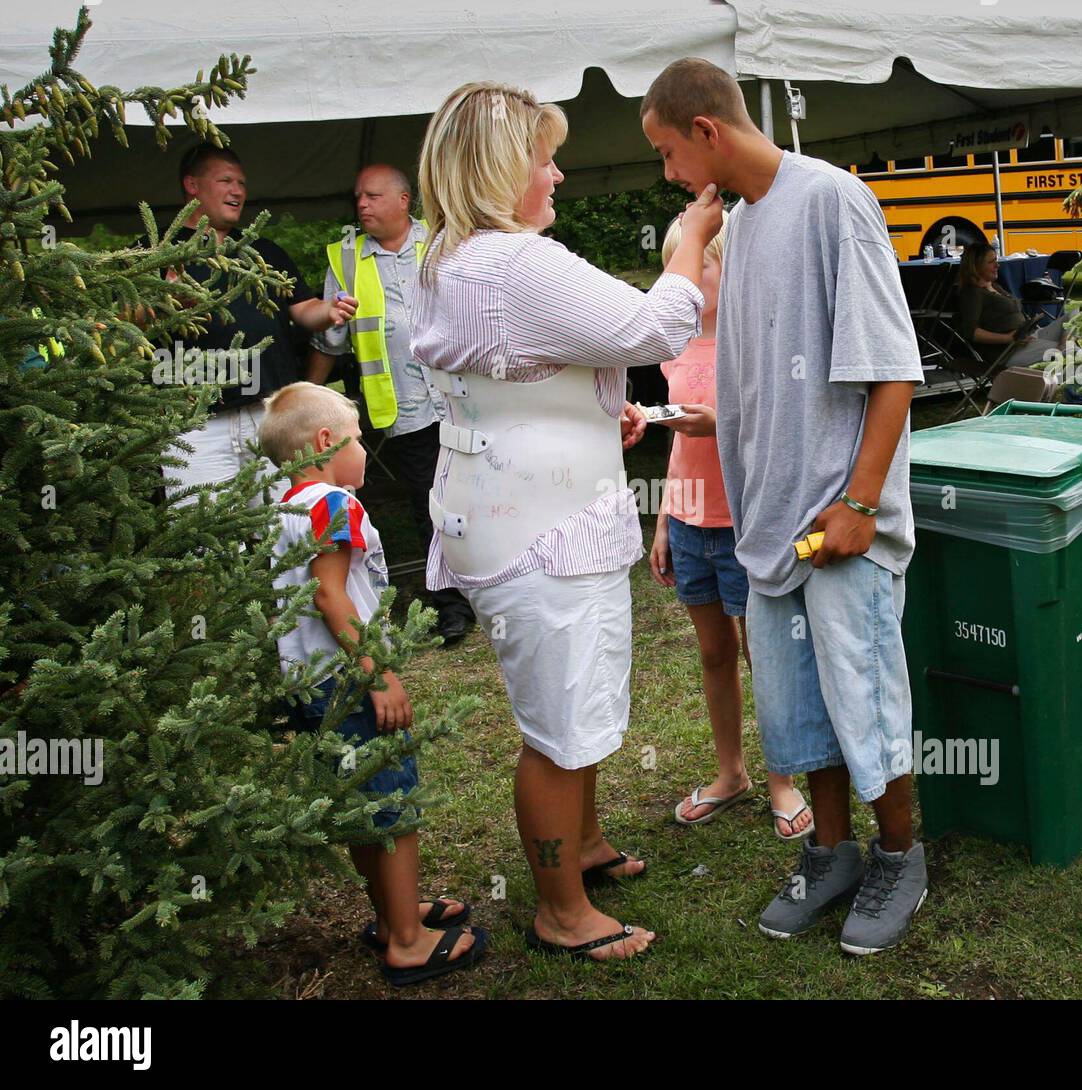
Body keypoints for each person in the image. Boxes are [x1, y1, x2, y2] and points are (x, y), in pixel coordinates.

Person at [409, 81, 721, 962]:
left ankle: (581, 846)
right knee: (557, 724)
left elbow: (513, 374)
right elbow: (656, 328)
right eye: (542, 156)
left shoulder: (447, 258)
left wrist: (594, 414)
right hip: (543, 532)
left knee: (571, 697)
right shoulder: (515, 263)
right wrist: (691, 242)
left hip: (499, 510)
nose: (556, 172)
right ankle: (560, 910)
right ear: (502, 168)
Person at [642, 58, 928, 956]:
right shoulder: (746, 224)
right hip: (771, 530)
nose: (668, 177)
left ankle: (898, 858)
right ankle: (833, 852)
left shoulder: (833, 201)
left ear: (707, 133)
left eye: (666, 154)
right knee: (802, 713)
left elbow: (894, 372)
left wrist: (859, 503)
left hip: (841, 526)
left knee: (867, 705)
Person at [260, 381, 488, 986]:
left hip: (309, 683)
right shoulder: (334, 504)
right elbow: (332, 596)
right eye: (360, 439)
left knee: (362, 803)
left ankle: (392, 914)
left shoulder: (279, 507)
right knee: (393, 802)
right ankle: (409, 941)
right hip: (348, 681)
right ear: (327, 442)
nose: (366, 451)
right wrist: (378, 674)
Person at [646, 211, 814, 841]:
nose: (681, 276)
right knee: (714, 652)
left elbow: (782, 432)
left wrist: (719, 424)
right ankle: (731, 772)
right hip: (692, 524)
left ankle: (783, 779)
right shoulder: (673, 349)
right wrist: (665, 518)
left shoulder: (756, 344)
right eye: (673, 265)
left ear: (732, 266)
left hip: (749, 523)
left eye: (697, 262)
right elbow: (678, 448)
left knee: (762, 652)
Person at [305, 164, 477, 647]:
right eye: (357, 196)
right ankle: (452, 607)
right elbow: (330, 340)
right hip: (405, 412)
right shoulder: (345, 260)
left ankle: (497, 588)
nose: (361, 204)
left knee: (484, 494)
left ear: (404, 201)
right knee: (432, 509)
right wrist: (305, 398)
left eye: (373, 196)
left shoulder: (448, 240)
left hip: (465, 399)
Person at [150, 145, 355, 501]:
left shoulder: (265, 251)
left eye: (241, 183)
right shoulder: (156, 250)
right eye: (225, 180)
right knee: (205, 533)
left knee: (287, 526)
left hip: (270, 415)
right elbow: (123, 319)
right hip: (196, 423)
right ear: (192, 186)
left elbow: (304, 308)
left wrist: (330, 311)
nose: (238, 190)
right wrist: (160, 303)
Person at [956, 242, 1066, 367]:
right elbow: (972, 332)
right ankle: (1062, 351)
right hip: (1009, 352)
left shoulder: (995, 286)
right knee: (1077, 354)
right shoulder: (973, 293)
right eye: (991, 262)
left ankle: (1062, 348)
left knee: (1075, 315)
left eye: (996, 260)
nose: (997, 265)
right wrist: (1009, 339)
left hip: (1029, 336)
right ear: (976, 266)